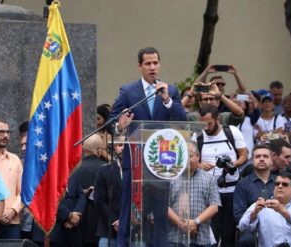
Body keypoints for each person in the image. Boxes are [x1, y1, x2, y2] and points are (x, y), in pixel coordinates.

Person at [108, 47, 187, 246]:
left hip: (162, 161)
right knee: (128, 210)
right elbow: (111, 120)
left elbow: (183, 120)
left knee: (160, 212)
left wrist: (167, 100)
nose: (152, 67)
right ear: (140, 66)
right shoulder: (128, 91)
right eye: (148, 63)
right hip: (134, 162)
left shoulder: (171, 90)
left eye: (155, 63)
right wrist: (120, 125)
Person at [197, 104, 247, 247]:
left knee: (229, 234)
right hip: (209, 192)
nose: (206, 127)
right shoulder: (199, 136)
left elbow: (244, 155)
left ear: (218, 119)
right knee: (211, 234)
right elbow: (192, 160)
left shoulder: (232, 132)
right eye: (202, 124)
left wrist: (233, 165)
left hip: (232, 190)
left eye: (209, 123)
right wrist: (201, 165)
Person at [168, 142, 221, 247]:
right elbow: (164, 206)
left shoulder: (209, 178)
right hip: (175, 237)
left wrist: (195, 222)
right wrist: (182, 225)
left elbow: (214, 206)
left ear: (198, 156)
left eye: (190, 156)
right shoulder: (171, 177)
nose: (187, 159)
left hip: (201, 237)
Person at [239, 171, 291, 247]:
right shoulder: (260, 206)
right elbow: (242, 227)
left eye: (285, 184)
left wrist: (281, 210)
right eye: (277, 184)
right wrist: (254, 212)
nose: (280, 186)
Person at [233, 144, 276, 247]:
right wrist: (254, 213)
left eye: (265, 156)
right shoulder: (242, 184)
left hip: (276, 226)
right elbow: (239, 216)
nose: (261, 159)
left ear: (272, 160)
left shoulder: (279, 182)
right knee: (245, 241)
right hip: (252, 229)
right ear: (252, 160)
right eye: (257, 156)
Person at [78, 134, 108, 247]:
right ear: (99, 150)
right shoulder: (106, 168)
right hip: (99, 226)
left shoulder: (74, 168)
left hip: (76, 225)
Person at [94, 140, 124, 247]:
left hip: (135, 230)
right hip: (109, 231)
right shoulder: (104, 170)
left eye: (126, 145)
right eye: (120, 145)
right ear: (115, 147)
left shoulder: (140, 171)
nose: (123, 148)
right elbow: (99, 201)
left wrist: (128, 220)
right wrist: (115, 220)